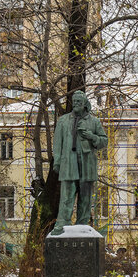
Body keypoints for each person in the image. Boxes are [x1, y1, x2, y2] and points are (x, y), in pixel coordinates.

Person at [51, 91, 108, 235]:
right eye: (74, 101)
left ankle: (82, 223)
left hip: (87, 162)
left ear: (85, 104)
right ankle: (63, 223)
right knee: (67, 194)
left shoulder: (94, 121)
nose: (76, 103)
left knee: (86, 196)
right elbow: (57, 143)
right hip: (68, 162)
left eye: (79, 101)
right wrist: (57, 162)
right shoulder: (63, 120)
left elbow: (104, 141)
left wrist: (91, 136)